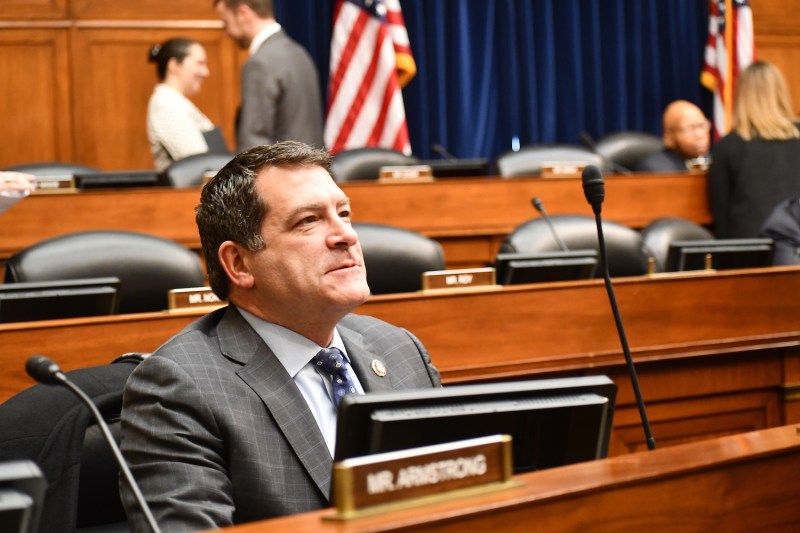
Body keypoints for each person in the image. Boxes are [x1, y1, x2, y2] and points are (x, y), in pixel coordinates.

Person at [119, 141, 440, 530]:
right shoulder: (179, 389)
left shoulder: (400, 350)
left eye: (344, 214)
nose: (346, 237)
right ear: (239, 264)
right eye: (308, 220)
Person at [214, 0, 324, 152]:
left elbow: (254, 143)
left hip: (282, 171)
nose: (227, 32)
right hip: (311, 169)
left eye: (226, 22)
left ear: (243, 13)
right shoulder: (300, 53)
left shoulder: (259, 63)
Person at [708, 60, 800, 238]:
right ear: (781, 93)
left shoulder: (727, 146)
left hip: (752, 251)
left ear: (741, 95)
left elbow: (721, 218)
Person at [147, 37, 219, 171]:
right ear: (174, 65)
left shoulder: (175, 102)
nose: (206, 72)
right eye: (200, 63)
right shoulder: (166, 105)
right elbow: (200, 162)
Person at [637, 100, 711, 171]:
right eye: (689, 129)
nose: (699, 135)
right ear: (668, 138)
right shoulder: (656, 169)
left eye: (702, 126)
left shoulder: (716, 161)